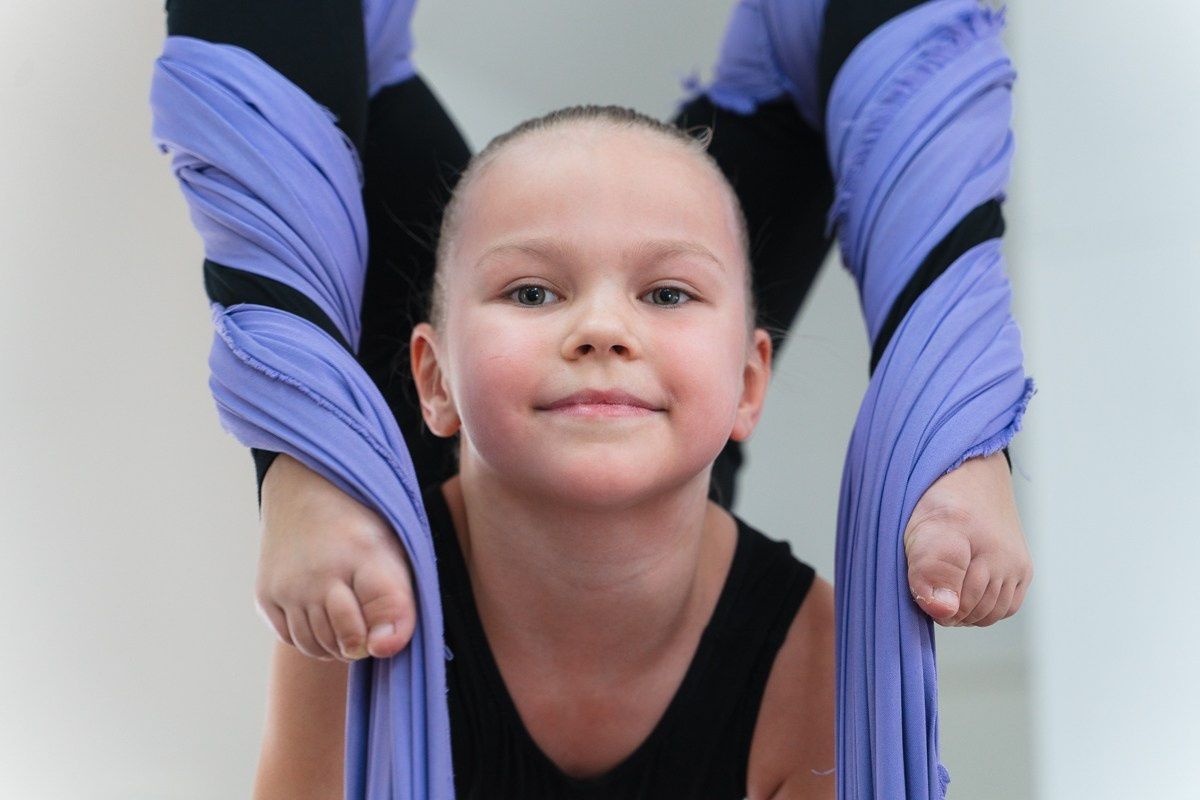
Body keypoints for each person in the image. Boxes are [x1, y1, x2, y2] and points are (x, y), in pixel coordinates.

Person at [157, 0, 1031, 796]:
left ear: (749, 387)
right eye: (535, 293)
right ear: (428, 379)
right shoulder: (359, 607)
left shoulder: (813, 661)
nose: (602, 329)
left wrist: (953, 436)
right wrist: (298, 456)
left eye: (665, 295)